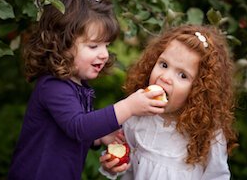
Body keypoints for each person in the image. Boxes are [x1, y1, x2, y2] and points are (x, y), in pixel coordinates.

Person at [8, 0, 167, 180]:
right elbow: (79, 126)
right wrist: (129, 107)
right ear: (61, 44)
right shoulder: (52, 86)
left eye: (106, 45)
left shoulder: (78, 85)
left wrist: (99, 138)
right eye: (94, 46)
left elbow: (69, 129)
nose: (105, 54)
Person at [99, 24, 238, 180]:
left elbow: (217, 176)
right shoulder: (137, 116)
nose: (165, 77)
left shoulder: (207, 134)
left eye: (183, 75)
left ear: (199, 90)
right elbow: (130, 165)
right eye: (164, 65)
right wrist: (113, 166)